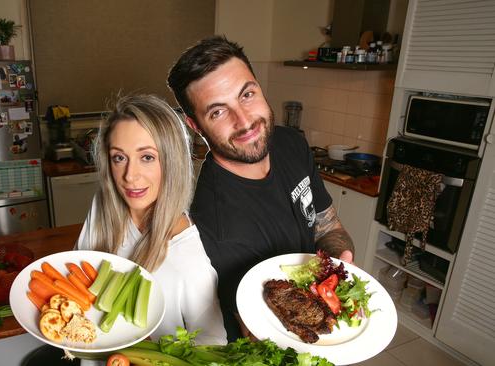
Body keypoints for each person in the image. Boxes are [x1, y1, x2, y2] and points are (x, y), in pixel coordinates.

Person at [167, 36, 355, 342]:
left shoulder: (289, 142)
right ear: (195, 125)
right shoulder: (211, 217)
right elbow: (256, 333)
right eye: (217, 111)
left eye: (247, 94)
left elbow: (327, 224)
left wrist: (334, 266)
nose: (244, 121)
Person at [76, 94, 227, 357]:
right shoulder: (103, 206)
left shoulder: (190, 260)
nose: (130, 176)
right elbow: (77, 278)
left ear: (172, 161)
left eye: (147, 157)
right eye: (119, 158)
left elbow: (212, 348)